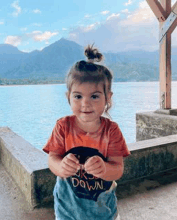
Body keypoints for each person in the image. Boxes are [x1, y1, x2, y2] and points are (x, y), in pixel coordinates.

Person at [43, 45, 130, 220]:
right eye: (78, 96)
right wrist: (61, 166)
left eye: (95, 96)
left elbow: (118, 169)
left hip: (103, 211)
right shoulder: (63, 126)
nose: (85, 104)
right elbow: (52, 159)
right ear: (68, 97)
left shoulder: (111, 131)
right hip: (67, 209)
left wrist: (104, 168)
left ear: (108, 97)